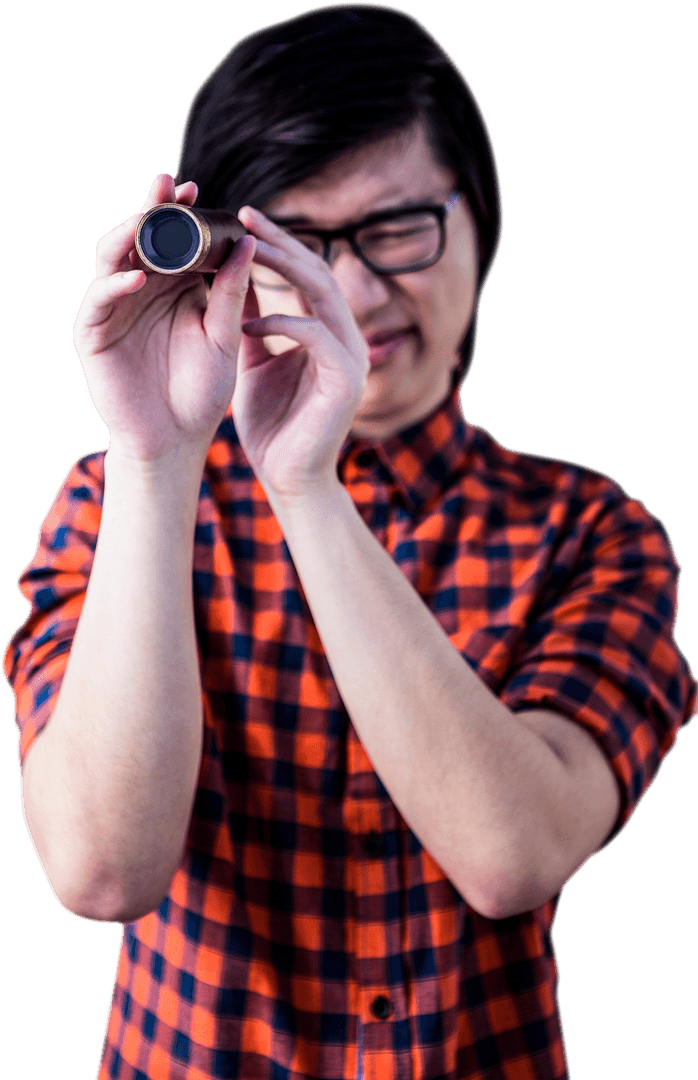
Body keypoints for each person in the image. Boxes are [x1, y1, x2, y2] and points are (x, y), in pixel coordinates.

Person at [3, 5, 695, 1079]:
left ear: (480, 223)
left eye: (398, 229)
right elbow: (98, 874)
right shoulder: (115, 503)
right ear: (222, 263)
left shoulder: (593, 532)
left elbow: (511, 853)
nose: (361, 291)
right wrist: (153, 456)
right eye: (300, 243)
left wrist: (304, 486)